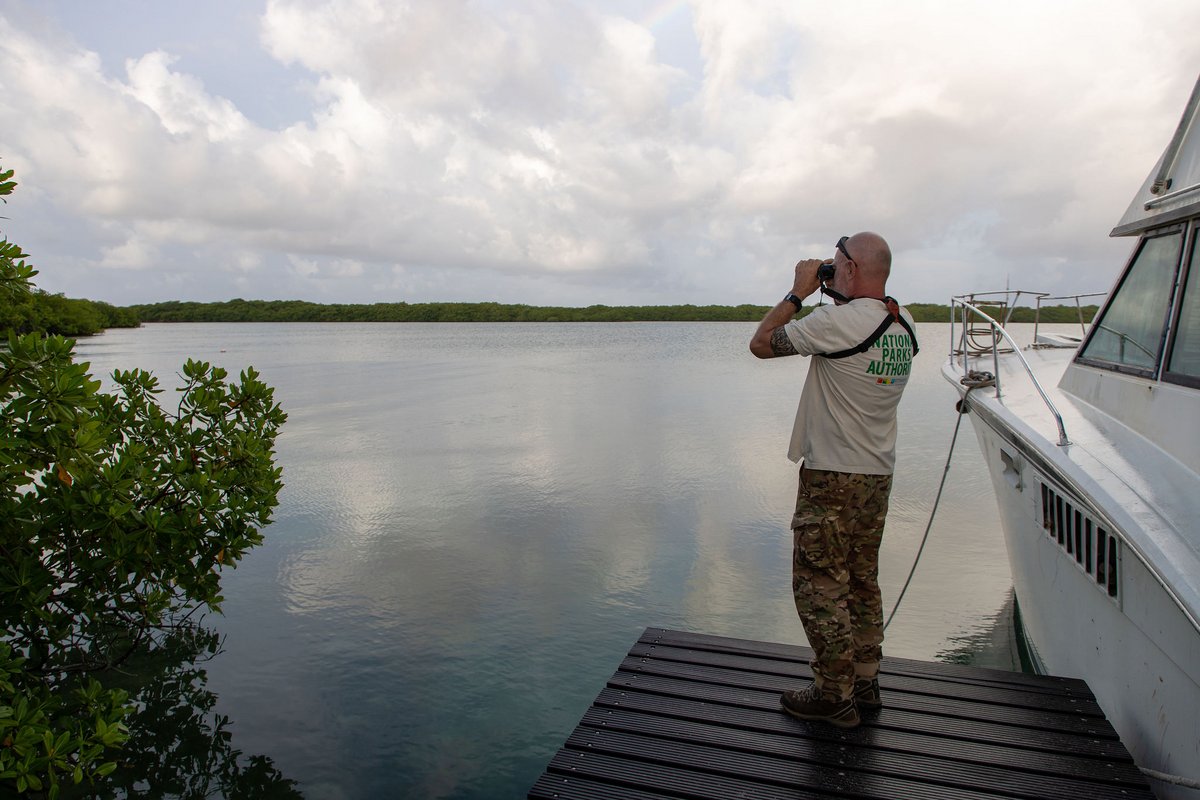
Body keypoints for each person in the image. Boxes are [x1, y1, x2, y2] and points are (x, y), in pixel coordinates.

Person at [749, 231, 917, 729]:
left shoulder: (834, 322)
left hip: (832, 477)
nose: (829, 267)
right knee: (862, 580)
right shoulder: (903, 323)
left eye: (836, 261)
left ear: (851, 269)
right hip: (877, 474)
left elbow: (760, 344)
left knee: (820, 583)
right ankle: (865, 682)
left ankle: (832, 695)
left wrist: (798, 292)